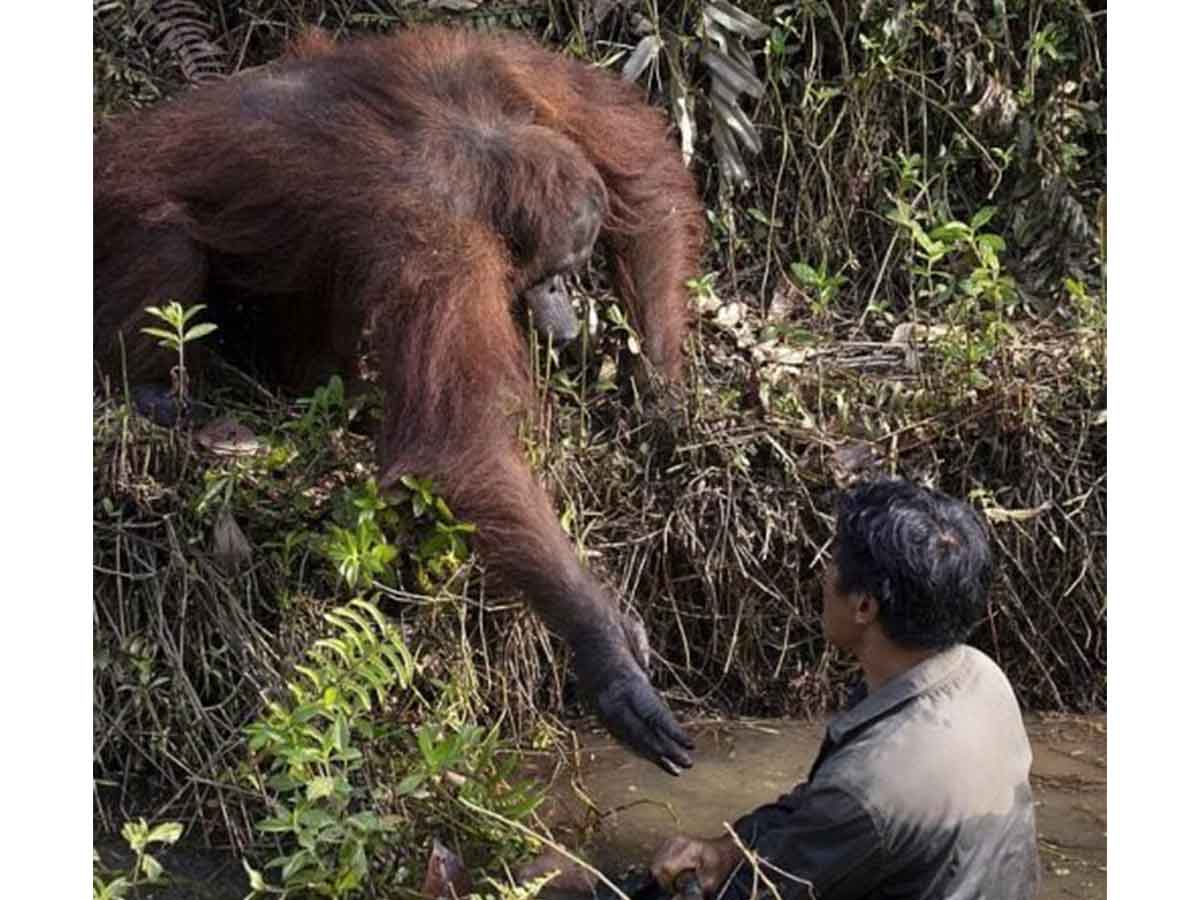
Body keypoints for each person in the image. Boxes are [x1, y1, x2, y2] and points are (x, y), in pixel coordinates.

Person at [650, 478, 1040, 900]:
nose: (824, 573)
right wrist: (728, 850)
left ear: (864, 607)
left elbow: (765, 889)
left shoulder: (864, 788)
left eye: (834, 560)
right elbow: (817, 812)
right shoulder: (984, 677)